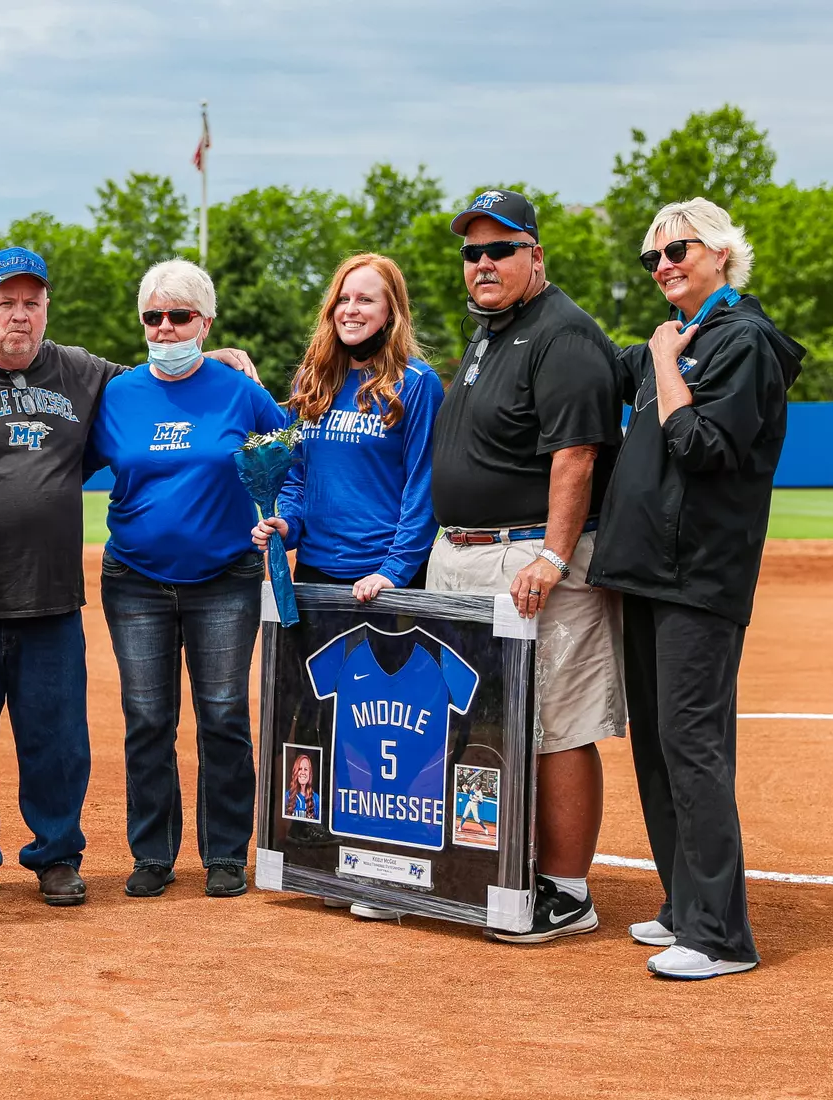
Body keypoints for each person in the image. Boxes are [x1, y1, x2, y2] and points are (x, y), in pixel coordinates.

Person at [0, 247, 260, 908]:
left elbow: (157, 378)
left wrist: (210, 362)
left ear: (46, 308)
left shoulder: (79, 371)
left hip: (50, 591)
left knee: (57, 735)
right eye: (5, 301)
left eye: (31, 302)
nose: (19, 313)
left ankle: (55, 856)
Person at [589, 198, 803, 980]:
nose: (663, 266)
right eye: (652, 258)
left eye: (677, 250)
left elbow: (703, 447)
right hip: (648, 571)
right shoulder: (683, 339)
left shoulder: (742, 340)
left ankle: (720, 936)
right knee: (657, 744)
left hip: (698, 576)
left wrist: (664, 365)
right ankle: (684, 906)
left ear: (721, 252)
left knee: (693, 746)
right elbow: (585, 359)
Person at [425, 189, 625, 943]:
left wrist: (551, 554)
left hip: (528, 556)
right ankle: (496, 865)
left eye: (500, 249)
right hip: (471, 553)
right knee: (487, 722)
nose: (483, 263)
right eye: (472, 251)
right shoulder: (492, 332)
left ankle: (568, 893)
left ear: (535, 256)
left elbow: (576, 457)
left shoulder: (563, 335)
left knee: (556, 726)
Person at [84, 259, 286, 900]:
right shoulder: (118, 395)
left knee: (223, 714)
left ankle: (226, 854)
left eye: (180, 316)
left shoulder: (239, 391)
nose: (165, 330)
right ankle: (152, 854)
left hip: (225, 576)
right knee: (147, 718)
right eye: (153, 317)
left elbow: (288, 455)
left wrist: (282, 520)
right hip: (135, 579)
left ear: (205, 321)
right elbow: (72, 462)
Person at [252, 252, 441, 599]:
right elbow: (296, 479)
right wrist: (288, 525)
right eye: (343, 299)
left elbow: (424, 487)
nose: (350, 309)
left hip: (386, 577)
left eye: (365, 300)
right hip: (314, 570)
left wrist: (394, 571)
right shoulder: (311, 382)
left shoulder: (417, 384)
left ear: (391, 313)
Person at [285, 753, 320, 822]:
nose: (303, 772)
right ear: (296, 772)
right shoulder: (287, 796)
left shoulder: (316, 798)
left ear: (310, 773)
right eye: (300, 769)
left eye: (306, 769)